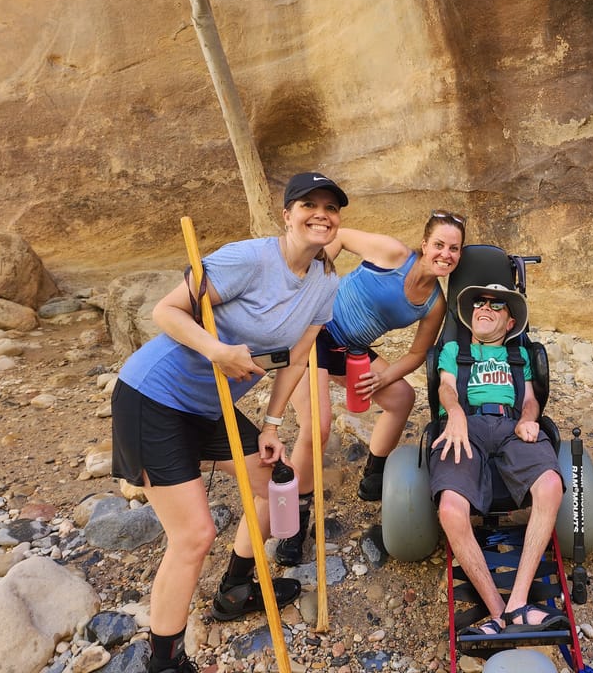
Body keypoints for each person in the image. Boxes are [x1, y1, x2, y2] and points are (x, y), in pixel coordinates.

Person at [111, 172, 347, 673]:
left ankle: (237, 589)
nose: (320, 214)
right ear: (287, 214)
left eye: (331, 206)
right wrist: (216, 349)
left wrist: (271, 425)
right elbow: (166, 310)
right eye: (309, 204)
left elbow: (296, 360)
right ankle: (165, 660)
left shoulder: (326, 283)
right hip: (152, 397)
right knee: (195, 535)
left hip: (208, 407)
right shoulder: (250, 258)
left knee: (277, 481)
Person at [275, 211, 465, 566]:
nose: (446, 254)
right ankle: (295, 524)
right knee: (318, 426)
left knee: (402, 397)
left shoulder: (435, 304)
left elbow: (417, 353)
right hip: (315, 333)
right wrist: (316, 275)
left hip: (353, 352)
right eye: (439, 244)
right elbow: (342, 236)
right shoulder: (392, 254)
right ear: (424, 245)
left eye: (454, 249)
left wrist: (385, 376)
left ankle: (373, 475)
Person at [429, 283, 568, 635]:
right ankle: (497, 610)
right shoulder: (453, 349)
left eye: (496, 305)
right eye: (479, 302)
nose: (484, 308)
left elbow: (531, 399)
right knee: (449, 509)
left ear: (509, 323)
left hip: (510, 424)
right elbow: (446, 387)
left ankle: (519, 601)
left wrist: (528, 419)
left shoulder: (518, 355)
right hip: (466, 424)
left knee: (552, 485)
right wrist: (455, 414)